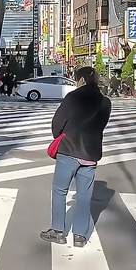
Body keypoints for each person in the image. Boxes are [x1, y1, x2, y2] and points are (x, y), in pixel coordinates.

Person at [40, 66, 111, 248]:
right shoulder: (105, 102)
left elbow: (57, 124)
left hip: (69, 151)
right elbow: (100, 127)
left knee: (59, 191)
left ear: (80, 80)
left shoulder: (73, 97)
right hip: (91, 154)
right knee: (84, 196)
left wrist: (60, 135)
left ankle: (57, 231)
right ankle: (80, 236)